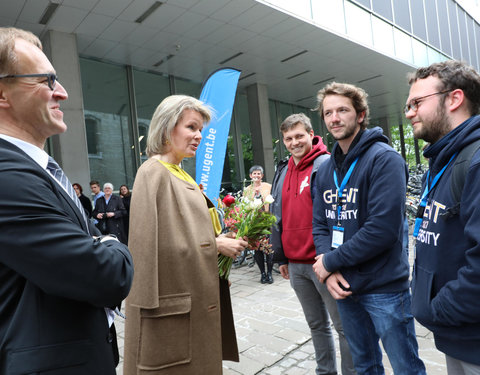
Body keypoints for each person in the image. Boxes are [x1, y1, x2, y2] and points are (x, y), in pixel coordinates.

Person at [0, 27, 133, 374]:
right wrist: (114, 243)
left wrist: (99, 241)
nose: (62, 92)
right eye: (46, 80)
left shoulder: (35, 171)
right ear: (2, 92)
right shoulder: (7, 178)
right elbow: (108, 275)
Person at [123, 95, 248, 375]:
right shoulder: (152, 173)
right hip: (172, 311)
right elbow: (146, 248)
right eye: (191, 127)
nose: (198, 136)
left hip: (192, 301)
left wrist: (222, 236)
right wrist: (214, 245)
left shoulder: (179, 173)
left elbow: (186, 230)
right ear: (167, 128)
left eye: (200, 129)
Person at [312, 82, 425, 374]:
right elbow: (321, 223)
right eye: (328, 113)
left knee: (406, 367)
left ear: (360, 115)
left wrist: (329, 263)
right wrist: (330, 269)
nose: (334, 118)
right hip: (346, 286)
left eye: (342, 110)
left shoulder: (384, 158)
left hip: (384, 287)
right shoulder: (324, 169)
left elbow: (381, 230)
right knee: (364, 366)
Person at [405, 60, 480, 374]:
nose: (409, 112)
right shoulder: (444, 160)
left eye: (417, 103)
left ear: (454, 98)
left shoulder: (474, 161)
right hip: (454, 334)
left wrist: (437, 309)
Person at [270, 113, 355, 375]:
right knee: (316, 325)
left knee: (344, 327)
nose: (294, 142)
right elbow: (277, 215)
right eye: (288, 138)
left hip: (324, 264)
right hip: (295, 265)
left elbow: (341, 214)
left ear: (311, 134)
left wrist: (333, 259)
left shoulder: (327, 164)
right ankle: (325, 371)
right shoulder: (282, 170)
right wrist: (280, 257)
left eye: (299, 136)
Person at [243, 165, 274, 283]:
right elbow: (245, 206)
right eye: (254, 174)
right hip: (254, 223)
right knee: (257, 249)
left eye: (259, 174)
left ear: (262, 175)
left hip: (267, 221)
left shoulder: (268, 187)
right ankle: (262, 273)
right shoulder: (247, 190)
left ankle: (270, 273)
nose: (256, 176)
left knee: (268, 248)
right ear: (250, 176)